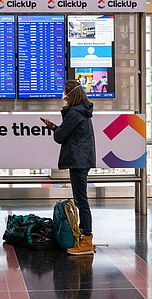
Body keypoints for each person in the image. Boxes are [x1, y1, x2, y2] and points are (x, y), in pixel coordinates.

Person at [41, 80, 97, 255]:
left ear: (70, 94)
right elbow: (67, 133)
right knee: (81, 199)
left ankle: (87, 239)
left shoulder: (74, 113)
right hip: (83, 158)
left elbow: (60, 136)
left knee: (81, 200)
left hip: (78, 160)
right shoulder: (82, 111)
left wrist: (54, 129)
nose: (63, 96)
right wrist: (55, 127)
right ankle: (84, 235)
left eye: (65, 93)